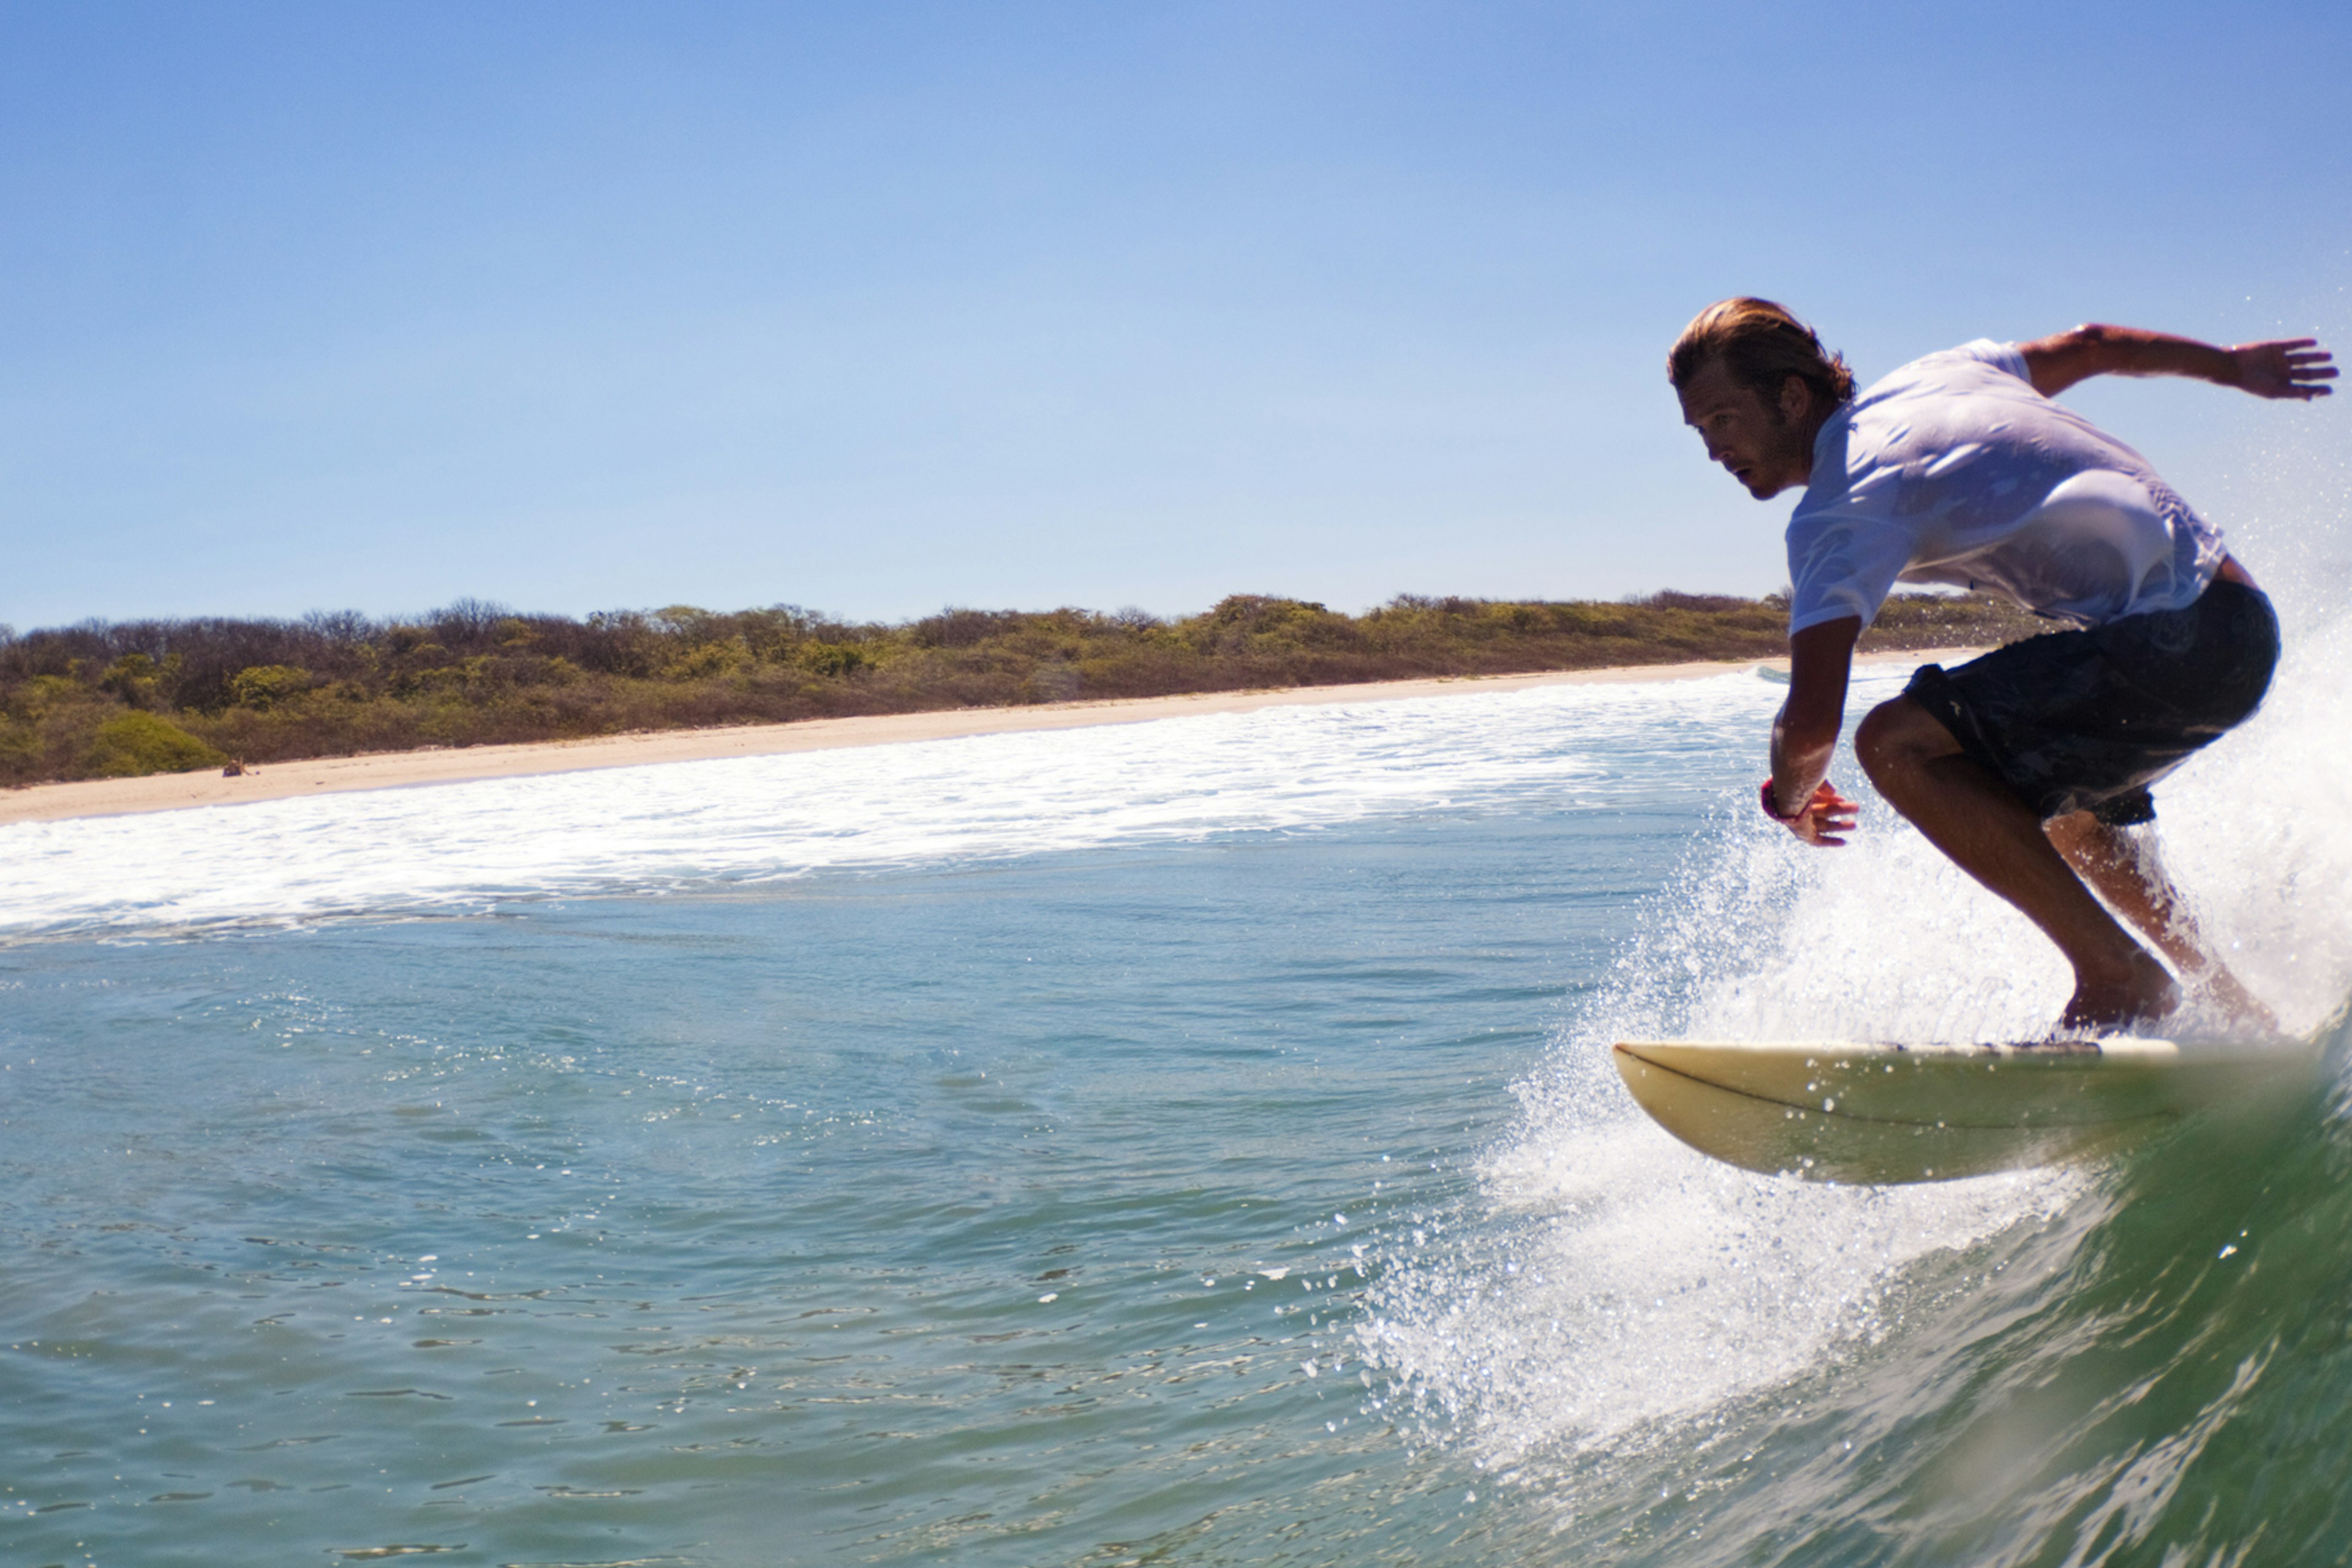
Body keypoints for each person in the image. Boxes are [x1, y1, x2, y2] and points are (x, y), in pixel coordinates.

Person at [1668, 298, 2334, 1030]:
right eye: (1701, 432)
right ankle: (2231, 1001)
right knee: (2068, 812)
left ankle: (2118, 974)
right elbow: (2096, 343)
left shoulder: (1842, 506)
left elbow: (1810, 725)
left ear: (1791, 396)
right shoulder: (1940, 375)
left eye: (1724, 420)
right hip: (2238, 622)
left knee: (1893, 745)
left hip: (2175, 646)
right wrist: (2232, 365)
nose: (1713, 451)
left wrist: (1789, 798)